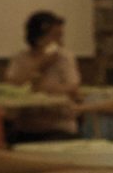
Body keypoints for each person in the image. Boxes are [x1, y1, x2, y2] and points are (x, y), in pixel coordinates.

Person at [5, 10, 83, 138]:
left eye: (60, 37)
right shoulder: (20, 58)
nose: (60, 42)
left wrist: (42, 89)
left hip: (59, 126)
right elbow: (12, 85)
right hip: (25, 126)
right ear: (39, 37)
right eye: (55, 37)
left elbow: (72, 88)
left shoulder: (65, 57)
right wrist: (40, 65)